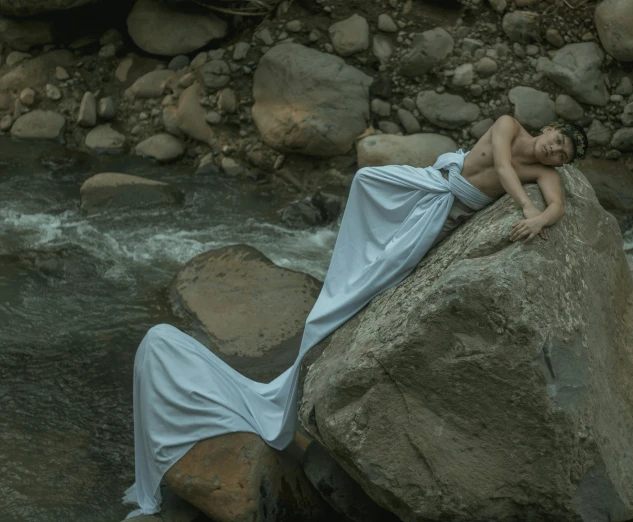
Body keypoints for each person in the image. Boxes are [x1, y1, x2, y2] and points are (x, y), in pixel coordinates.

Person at [122, 116, 588, 518]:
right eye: (557, 141)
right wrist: (525, 206)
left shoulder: (544, 173)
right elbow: (502, 165)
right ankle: (347, 270)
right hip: (430, 181)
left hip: (444, 207)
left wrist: (540, 219)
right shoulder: (510, 126)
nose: (554, 151)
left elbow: (559, 207)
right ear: (548, 129)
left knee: (368, 284)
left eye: (561, 156)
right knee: (365, 180)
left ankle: (347, 291)